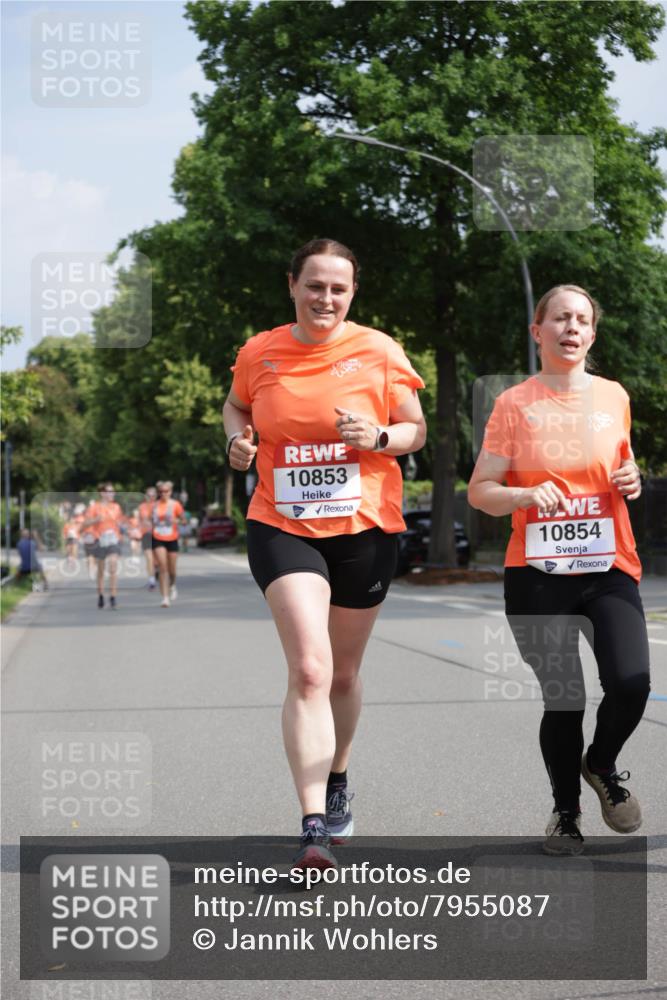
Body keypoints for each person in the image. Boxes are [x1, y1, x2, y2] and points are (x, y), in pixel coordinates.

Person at [223, 238, 426, 870]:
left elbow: (416, 426)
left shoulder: (380, 350)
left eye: (339, 288)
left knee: (341, 674)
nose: (326, 298)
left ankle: (337, 776)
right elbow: (236, 406)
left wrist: (381, 435)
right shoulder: (260, 352)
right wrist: (238, 441)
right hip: (282, 522)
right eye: (315, 285)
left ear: (352, 293)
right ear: (293, 285)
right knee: (310, 669)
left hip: (364, 525)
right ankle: (313, 821)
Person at [468, 284, 650, 856]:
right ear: (538, 331)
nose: (571, 327)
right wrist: (522, 496)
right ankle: (566, 813)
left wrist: (633, 477)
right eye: (560, 318)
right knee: (565, 695)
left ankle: (600, 763)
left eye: (581, 320)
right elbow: (480, 492)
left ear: (592, 335)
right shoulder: (514, 404)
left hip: (608, 563)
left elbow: (621, 465)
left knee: (631, 682)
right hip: (538, 571)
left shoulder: (614, 396)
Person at [82, 483, 126, 609]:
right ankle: (101, 595)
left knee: (113, 565)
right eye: (109, 491)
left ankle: (113, 597)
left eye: (113, 491)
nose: (112, 494)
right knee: (100, 570)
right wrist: (95, 520)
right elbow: (85, 524)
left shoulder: (116, 507)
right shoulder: (94, 507)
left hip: (113, 540)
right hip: (99, 540)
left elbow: (120, 522)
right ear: (102, 493)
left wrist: (124, 526)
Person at [152, 481, 185, 608]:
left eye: (166, 491)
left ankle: (172, 584)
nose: (163, 494)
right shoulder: (154, 505)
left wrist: (176, 520)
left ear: (170, 492)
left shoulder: (175, 505)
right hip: (157, 537)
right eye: (161, 491)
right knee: (162, 567)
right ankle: (165, 598)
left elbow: (184, 521)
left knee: (172, 570)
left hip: (172, 538)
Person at [138, 486, 157, 589]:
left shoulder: (160, 505)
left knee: (157, 559)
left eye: (153, 495)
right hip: (147, 534)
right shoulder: (143, 506)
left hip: (159, 534)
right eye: (149, 495)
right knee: (149, 557)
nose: (151, 497)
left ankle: (156, 570)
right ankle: (151, 579)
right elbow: (145, 519)